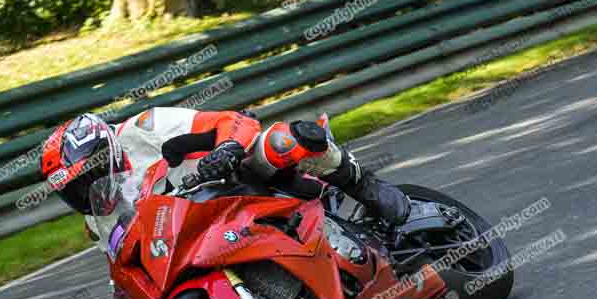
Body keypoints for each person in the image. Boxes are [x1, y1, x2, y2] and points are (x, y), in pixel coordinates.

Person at [39, 108, 410, 237]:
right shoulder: (98, 222)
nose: (87, 190)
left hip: (239, 177)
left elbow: (232, 121)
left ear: (108, 150)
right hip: (207, 229)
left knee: (282, 142)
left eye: (89, 176)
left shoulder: (144, 127)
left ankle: (365, 186)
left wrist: (226, 149)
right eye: (74, 189)